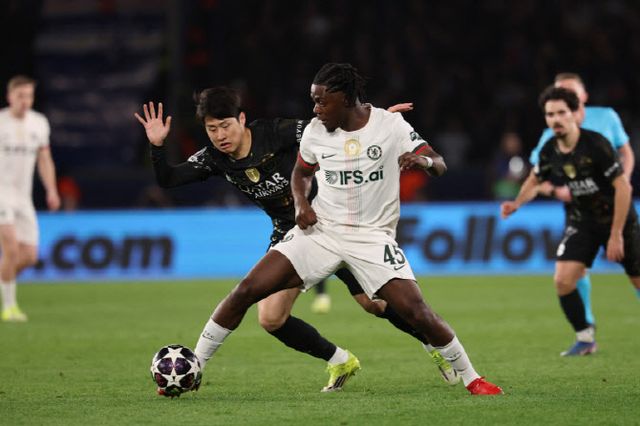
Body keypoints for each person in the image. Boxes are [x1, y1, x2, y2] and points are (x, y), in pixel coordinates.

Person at [188, 63, 502, 395]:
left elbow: (439, 162)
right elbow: (301, 173)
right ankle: (194, 367)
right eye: (314, 101)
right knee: (246, 291)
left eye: (321, 102)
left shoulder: (390, 125)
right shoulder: (315, 131)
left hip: (371, 237)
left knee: (414, 311)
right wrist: (301, 204)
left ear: (346, 100)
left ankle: (472, 378)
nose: (315, 109)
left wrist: (423, 162)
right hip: (321, 232)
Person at [134, 90, 459, 392]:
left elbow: (333, 127)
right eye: (212, 129)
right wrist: (157, 146)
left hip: (335, 224)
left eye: (226, 125)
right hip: (290, 236)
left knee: (374, 305)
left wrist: (377, 123)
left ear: (242, 119)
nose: (220, 135)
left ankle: (433, 345)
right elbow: (169, 178)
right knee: (271, 318)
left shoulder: (276, 132)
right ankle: (340, 361)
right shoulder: (213, 158)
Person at [502, 86, 640, 356]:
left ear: (576, 114)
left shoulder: (597, 145)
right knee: (563, 281)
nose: (555, 119)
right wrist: (517, 203)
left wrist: (616, 235)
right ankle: (585, 339)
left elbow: (623, 188)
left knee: (637, 281)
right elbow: (535, 179)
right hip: (583, 220)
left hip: (618, 220)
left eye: (561, 113)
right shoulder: (549, 149)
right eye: (550, 114)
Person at [0, 75, 60, 322]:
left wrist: (51, 189)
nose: (25, 101)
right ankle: (9, 307)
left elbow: (44, 159)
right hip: (1, 194)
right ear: (10, 97)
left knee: (29, 256)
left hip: (23, 197)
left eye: (29, 96)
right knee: (11, 250)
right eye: (20, 96)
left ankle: (5, 286)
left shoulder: (39, 123)